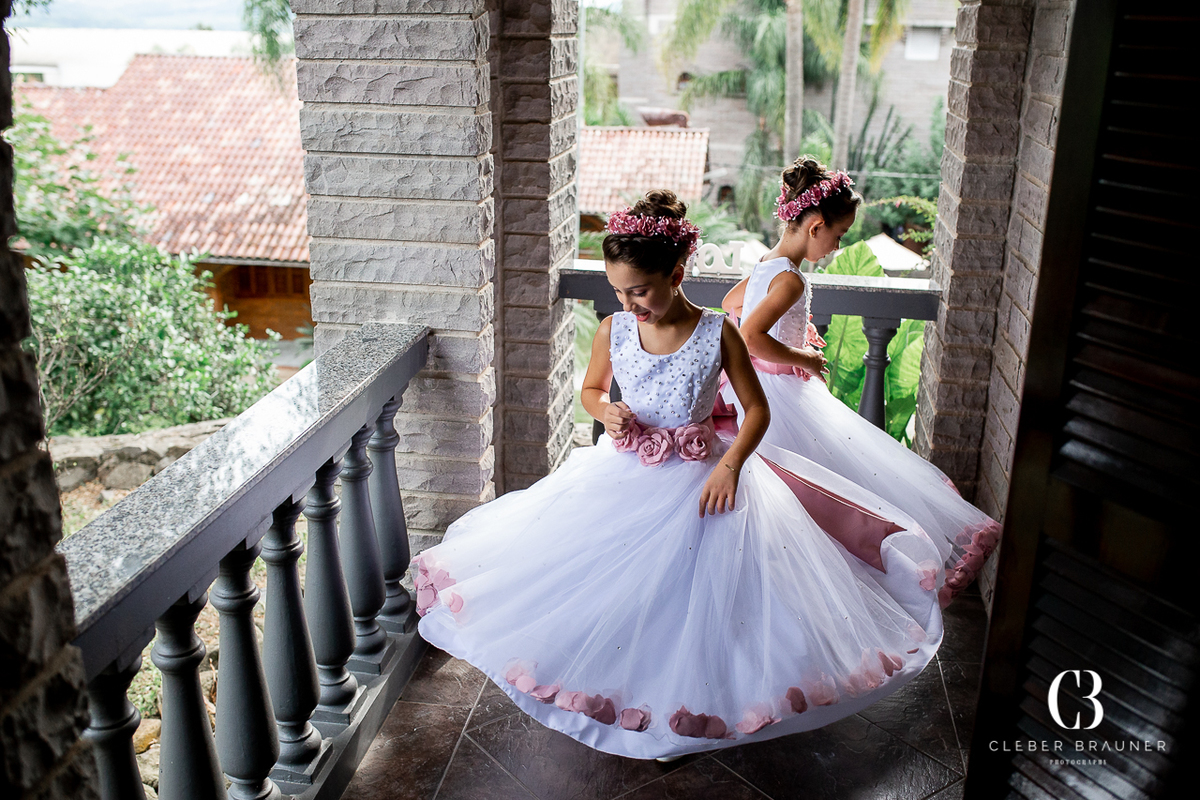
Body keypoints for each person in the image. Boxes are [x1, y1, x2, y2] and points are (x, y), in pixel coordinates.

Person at [413, 190, 945, 760]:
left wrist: (730, 466)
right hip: (624, 472)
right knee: (606, 577)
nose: (629, 303)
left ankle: (690, 694)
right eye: (619, 291)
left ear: (677, 273)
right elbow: (591, 391)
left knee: (707, 592)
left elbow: (757, 410)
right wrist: (604, 410)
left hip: (701, 474)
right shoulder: (613, 330)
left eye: (639, 291)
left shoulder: (719, 333)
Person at [721, 157, 1002, 608]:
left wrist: (786, 335)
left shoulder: (764, 265)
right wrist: (803, 357)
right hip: (782, 396)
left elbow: (732, 305)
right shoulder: (790, 279)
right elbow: (752, 337)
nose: (836, 246)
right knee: (826, 485)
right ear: (815, 226)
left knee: (797, 490)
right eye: (838, 235)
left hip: (758, 390)